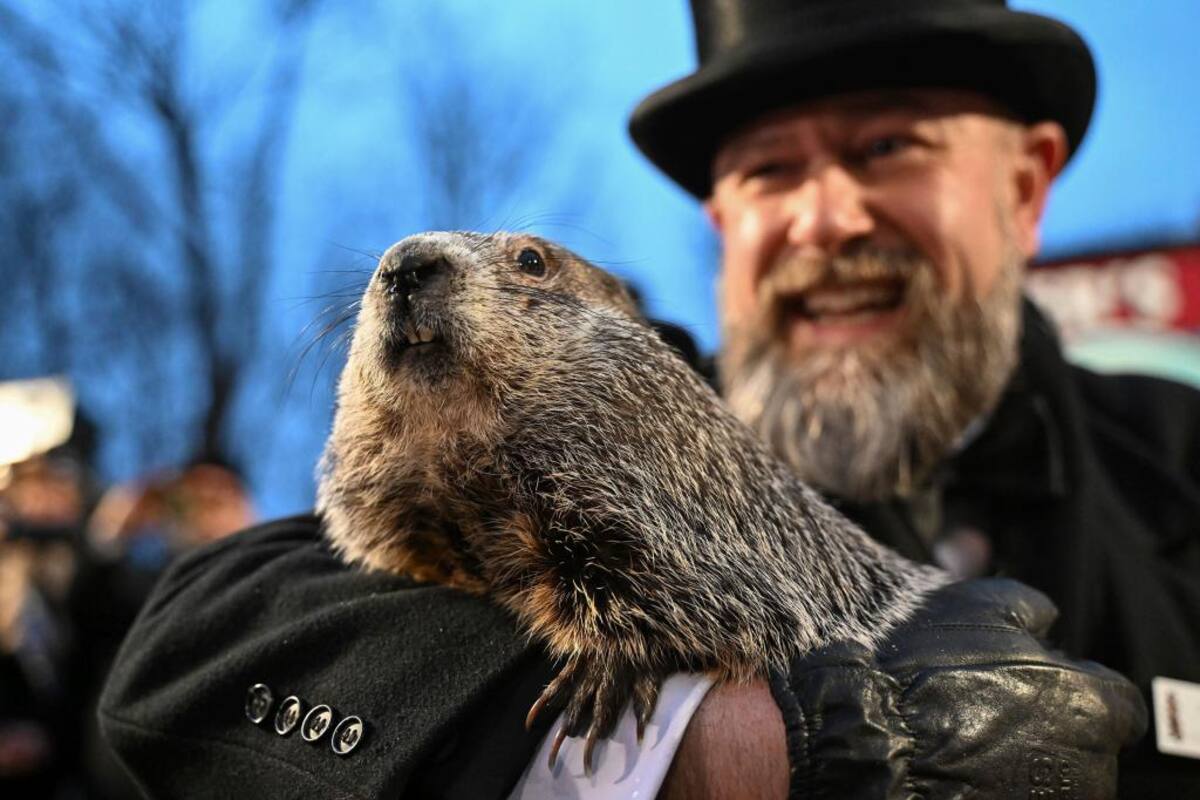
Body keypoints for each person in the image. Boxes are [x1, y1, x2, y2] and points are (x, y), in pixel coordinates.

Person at [99, 0, 1195, 797]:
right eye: (768, 171)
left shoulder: (1180, 450)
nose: (824, 219)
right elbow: (192, 647)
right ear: (723, 226)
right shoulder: (607, 403)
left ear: (1024, 187)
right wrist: (715, 746)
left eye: (887, 146)